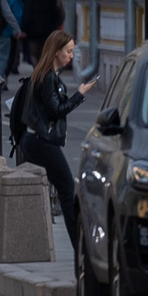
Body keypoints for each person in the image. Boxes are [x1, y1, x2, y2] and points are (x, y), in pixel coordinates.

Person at [11, 30, 92, 226]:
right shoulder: (48, 77)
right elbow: (55, 111)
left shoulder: (44, 73)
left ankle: (28, 234)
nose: (71, 56)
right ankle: (78, 244)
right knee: (67, 189)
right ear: (56, 51)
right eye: (69, 51)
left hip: (33, 140)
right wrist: (78, 95)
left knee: (39, 189)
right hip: (42, 141)